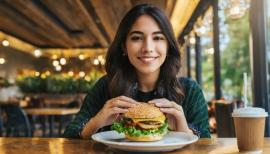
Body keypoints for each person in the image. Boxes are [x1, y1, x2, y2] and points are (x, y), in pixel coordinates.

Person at [64, 4, 211, 139]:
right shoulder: (105, 86)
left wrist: (183, 129)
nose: (147, 47)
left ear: (168, 46)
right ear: (124, 46)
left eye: (158, 37)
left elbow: (206, 141)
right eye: (136, 38)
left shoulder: (189, 90)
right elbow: (70, 135)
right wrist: (97, 121)